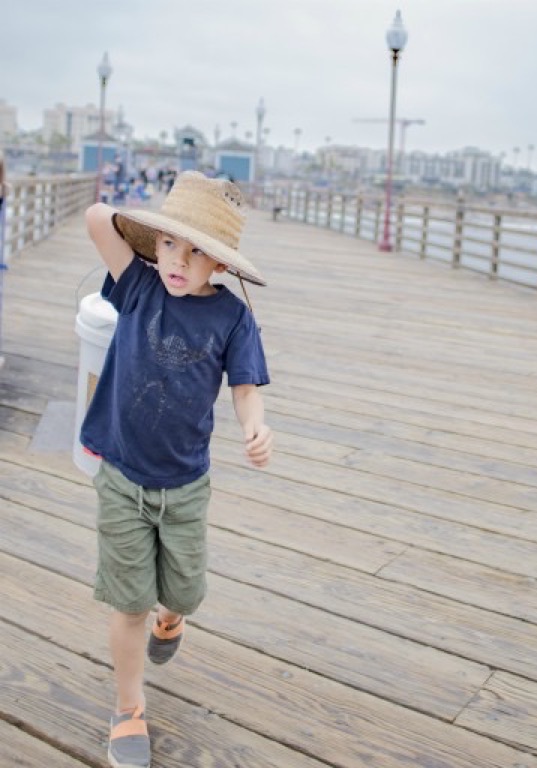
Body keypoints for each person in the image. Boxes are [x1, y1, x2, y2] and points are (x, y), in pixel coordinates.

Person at [81, 171, 273, 768]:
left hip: (186, 484)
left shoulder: (233, 320)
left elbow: (245, 388)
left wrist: (254, 426)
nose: (179, 261)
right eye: (170, 244)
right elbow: (96, 218)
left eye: (196, 252)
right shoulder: (137, 285)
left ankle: (173, 618)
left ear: (219, 263)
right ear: (154, 244)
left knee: (184, 591)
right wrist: (153, 234)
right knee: (129, 602)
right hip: (122, 474)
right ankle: (129, 704)